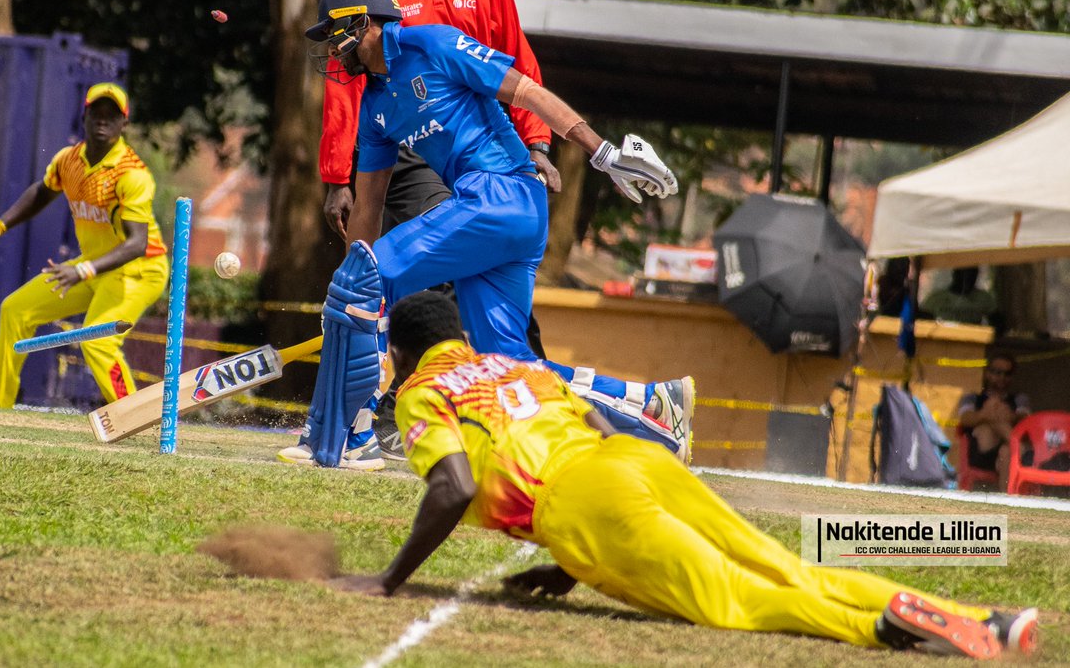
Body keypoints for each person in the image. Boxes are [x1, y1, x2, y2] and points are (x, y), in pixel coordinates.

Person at [332, 290, 1039, 659]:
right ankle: (990, 623)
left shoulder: (425, 388)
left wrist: (387, 580)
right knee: (787, 565)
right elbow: (599, 428)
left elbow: (452, 485)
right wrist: (573, 565)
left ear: (400, 349)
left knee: (738, 599)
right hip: (636, 459)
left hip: (581, 502)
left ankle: (890, 626)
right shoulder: (517, 365)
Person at [281, 0, 693, 471]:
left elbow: (528, 93)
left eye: (333, 33)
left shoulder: (429, 42)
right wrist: (348, 294)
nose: (329, 48)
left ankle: (349, 435)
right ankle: (651, 409)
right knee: (511, 369)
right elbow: (368, 207)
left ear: (363, 24)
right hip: (491, 212)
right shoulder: (373, 105)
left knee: (371, 277)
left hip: (504, 194)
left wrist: (600, 150)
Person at [320, 0, 558, 457]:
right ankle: (404, 402)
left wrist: (537, 142)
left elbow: (515, 62)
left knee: (483, 288)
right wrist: (336, 173)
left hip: (488, 146)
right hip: (404, 148)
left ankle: (497, 395)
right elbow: (346, 82)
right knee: (424, 271)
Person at [0, 83, 169, 407]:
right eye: (97, 111)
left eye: (112, 114)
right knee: (15, 310)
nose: (103, 119)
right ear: (84, 115)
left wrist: (82, 269)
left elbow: (137, 244)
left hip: (138, 270)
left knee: (97, 340)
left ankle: (133, 415)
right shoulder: (68, 160)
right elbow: (42, 192)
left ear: (124, 124)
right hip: (94, 265)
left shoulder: (131, 174)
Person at [958, 353, 1031, 488]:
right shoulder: (972, 398)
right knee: (988, 424)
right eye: (997, 372)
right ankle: (1017, 445)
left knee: (1006, 452)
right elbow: (965, 419)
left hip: (1008, 452)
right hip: (982, 452)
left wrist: (1010, 416)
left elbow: (1026, 423)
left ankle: (1005, 500)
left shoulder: (1019, 400)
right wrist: (986, 414)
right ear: (987, 373)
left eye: (1007, 373)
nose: (1002, 377)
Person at [920, 266, 996, 326]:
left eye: (972, 274)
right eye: (964, 273)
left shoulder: (983, 298)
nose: (968, 278)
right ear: (956, 274)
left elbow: (998, 322)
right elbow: (922, 320)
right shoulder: (937, 298)